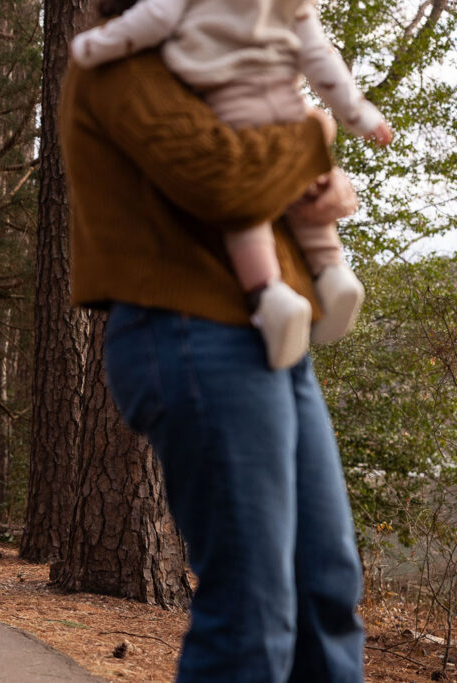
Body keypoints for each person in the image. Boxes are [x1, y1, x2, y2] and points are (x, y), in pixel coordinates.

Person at [59, 2, 365, 679]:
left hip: (272, 340)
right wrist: (314, 133)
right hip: (191, 336)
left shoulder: (224, 56)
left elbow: (273, 184)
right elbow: (224, 178)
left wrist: (320, 187)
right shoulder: (118, 61)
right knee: (254, 602)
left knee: (325, 585)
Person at [69, 0, 392, 369]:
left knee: (257, 218)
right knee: (254, 200)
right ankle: (315, 274)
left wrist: (330, 182)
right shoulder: (132, 68)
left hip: (268, 326)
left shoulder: (175, 36)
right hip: (197, 322)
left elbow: (256, 176)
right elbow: (229, 186)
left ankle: (290, 285)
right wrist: (320, 131)